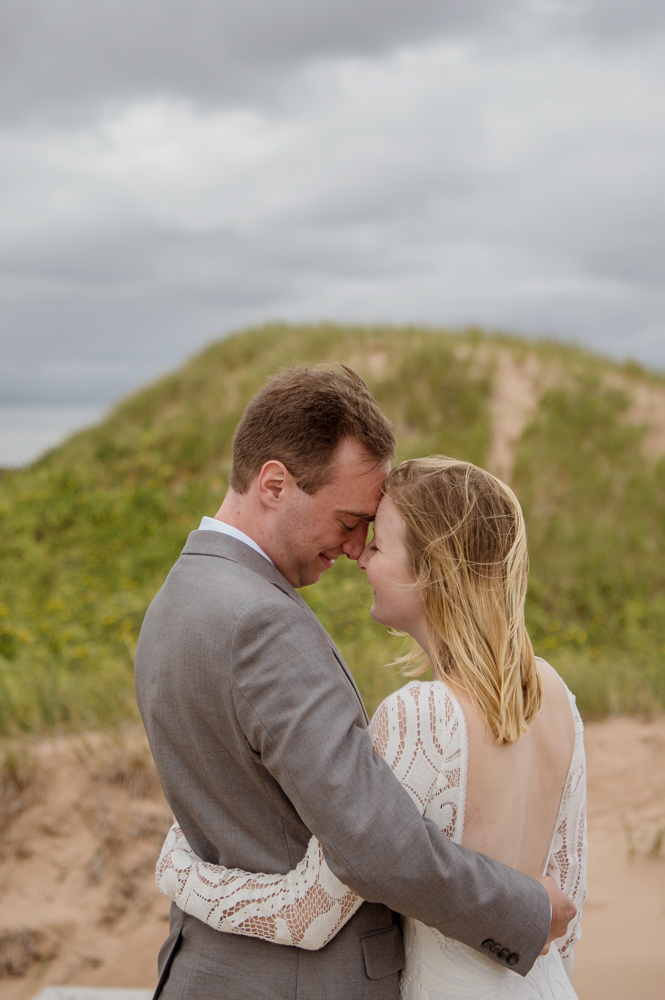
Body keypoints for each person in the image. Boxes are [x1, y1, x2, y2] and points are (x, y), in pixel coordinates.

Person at [135, 366, 575, 1000]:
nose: (354, 548)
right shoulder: (264, 623)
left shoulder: (178, 597)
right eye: (348, 519)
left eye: (370, 529)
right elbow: (374, 845)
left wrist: (186, 872)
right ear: (275, 483)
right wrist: (525, 912)